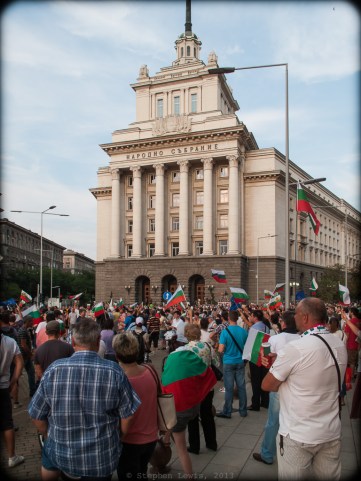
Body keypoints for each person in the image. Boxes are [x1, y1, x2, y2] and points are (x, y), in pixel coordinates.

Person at [28, 318, 141, 481]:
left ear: (73, 341)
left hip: (62, 455)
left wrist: (49, 435)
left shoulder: (54, 370)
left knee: (48, 457)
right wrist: (120, 438)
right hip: (100, 459)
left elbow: (36, 414)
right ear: (98, 341)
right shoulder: (114, 371)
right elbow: (128, 414)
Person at [262, 298, 347, 480]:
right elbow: (315, 372)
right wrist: (283, 362)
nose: (295, 318)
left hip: (298, 435)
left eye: (297, 315)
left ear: (306, 317)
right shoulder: (339, 343)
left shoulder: (295, 348)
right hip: (330, 432)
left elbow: (267, 385)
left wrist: (279, 365)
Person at [161, 331, 217, 476]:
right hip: (194, 401)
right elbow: (209, 370)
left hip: (180, 407)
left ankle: (189, 475)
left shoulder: (173, 361)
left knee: (181, 449)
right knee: (202, 419)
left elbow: (165, 389)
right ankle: (166, 442)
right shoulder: (200, 351)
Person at [252, 310, 300, 465]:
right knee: (293, 419)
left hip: (278, 383)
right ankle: (293, 451)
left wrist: (263, 353)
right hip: (297, 385)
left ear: (283, 323)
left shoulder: (276, 338)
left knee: (273, 421)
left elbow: (264, 356)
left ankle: (267, 454)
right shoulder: (303, 338)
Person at [112, 332, 158, 479]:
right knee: (141, 472)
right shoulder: (151, 370)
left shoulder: (119, 380)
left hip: (129, 441)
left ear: (117, 355)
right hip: (151, 438)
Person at [185, 323, 219, 454]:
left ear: (187, 335)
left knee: (193, 418)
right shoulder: (207, 346)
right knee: (207, 415)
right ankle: (212, 443)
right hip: (207, 386)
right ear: (199, 335)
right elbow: (217, 363)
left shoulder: (185, 349)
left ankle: (194, 446)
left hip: (193, 387)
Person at [215, 309, 248, 419]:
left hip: (228, 362)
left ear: (229, 318)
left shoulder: (225, 332)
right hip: (240, 361)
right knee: (241, 387)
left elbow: (220, 349)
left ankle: (227, 411)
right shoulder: (243, 331)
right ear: (237, 318)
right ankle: (243, 411)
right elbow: (246, 347)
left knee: (229, 388)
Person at [0, 332, 24, 467]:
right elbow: (19, 362)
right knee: (7, 423)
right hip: (4, 387)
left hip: (4, 386)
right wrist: (13, 381)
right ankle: (12, 456)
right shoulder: (9, 342)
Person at [248, 309, 270, 411]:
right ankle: (265, 401)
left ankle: (255, 403)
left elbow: (250, 344)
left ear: (255, 317)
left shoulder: (253, 328)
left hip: (256, 356)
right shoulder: (266, 327)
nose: (250, 317)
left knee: (255, 381)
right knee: (263, 378)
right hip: (265, 355)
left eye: (251, 315)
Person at [344, 316, 361, 419]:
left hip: (350, 347)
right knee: (352, 364)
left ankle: (349, 380)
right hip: (353, 348)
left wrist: (347, 321)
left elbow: (354, 332)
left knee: (350, 364)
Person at [18, 315, 36, 397]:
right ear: (28, 322)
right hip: (23, 356)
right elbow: (23, 345)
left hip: (26, 356)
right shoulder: (23, 331)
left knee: (31, 373)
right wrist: (30, 354)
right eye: (31, 321)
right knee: (18, 374)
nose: (32, 323)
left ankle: (32, 391)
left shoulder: (25, 330)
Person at [343, 307, 361, 378]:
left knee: (350, 363)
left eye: (350, 312)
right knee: (355, 362)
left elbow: (346, 335)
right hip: (358, 345)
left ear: (352, 313)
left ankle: (350, 377)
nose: (349, 313)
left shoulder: (350, 322)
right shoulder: (359, 321)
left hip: (351, 345)